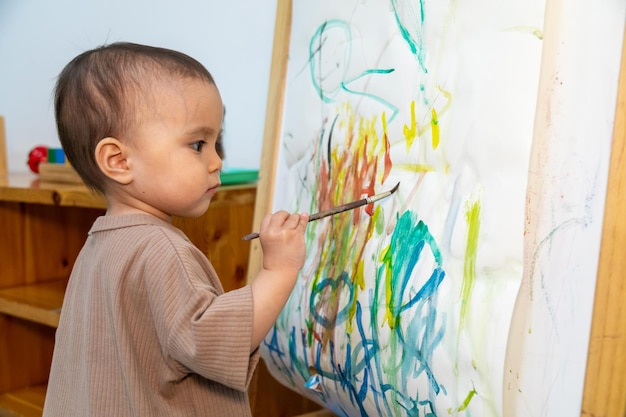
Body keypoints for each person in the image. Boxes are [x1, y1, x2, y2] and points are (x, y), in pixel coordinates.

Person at [43, 42, 309, 417]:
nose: (217, 161)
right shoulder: (159, 248)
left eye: (218, 142)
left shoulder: (99, 244)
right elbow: (216, 341)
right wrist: (279, 270)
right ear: (118, 161)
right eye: (198, 144)